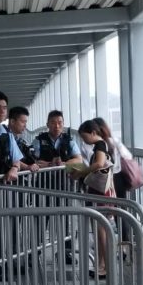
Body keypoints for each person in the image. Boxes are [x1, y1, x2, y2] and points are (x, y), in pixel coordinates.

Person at [32, 110, 84, 264]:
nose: (57, 125)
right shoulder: (38, 140)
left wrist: (62, 164)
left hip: (64, 185)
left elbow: (78, 161)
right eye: (53, 122)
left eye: (60, 122)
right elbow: (35, 162)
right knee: (41, 219)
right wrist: (50, 165)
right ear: (47, 124)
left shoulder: (70, 140)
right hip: (43, 186)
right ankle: (35, 252)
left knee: (66, 219)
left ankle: (66, 252)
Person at [74, 120, 117, 279]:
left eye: (85, 137)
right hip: (101, 193)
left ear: (93, 133)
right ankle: (102, 265)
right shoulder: (104, 145)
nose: (84, 141)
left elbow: (99, 164)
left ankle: (106, 266)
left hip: (100, 194)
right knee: (100, 230)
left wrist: (82, 172)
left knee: (101, 231)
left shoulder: (100, 145)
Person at [93, 117, 129, 198]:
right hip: (118, 178)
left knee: (107, 206)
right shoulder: (115, 140)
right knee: (121, 206)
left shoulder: (99, 145)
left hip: (104, 179)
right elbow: (127, 156)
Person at [8, 106, 39, 173]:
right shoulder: (3, 139)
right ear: (12, 121)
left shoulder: (20, 141)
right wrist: (27, 167)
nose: (25, 126)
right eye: (23, 122)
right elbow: (10, 158)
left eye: (26, 122)